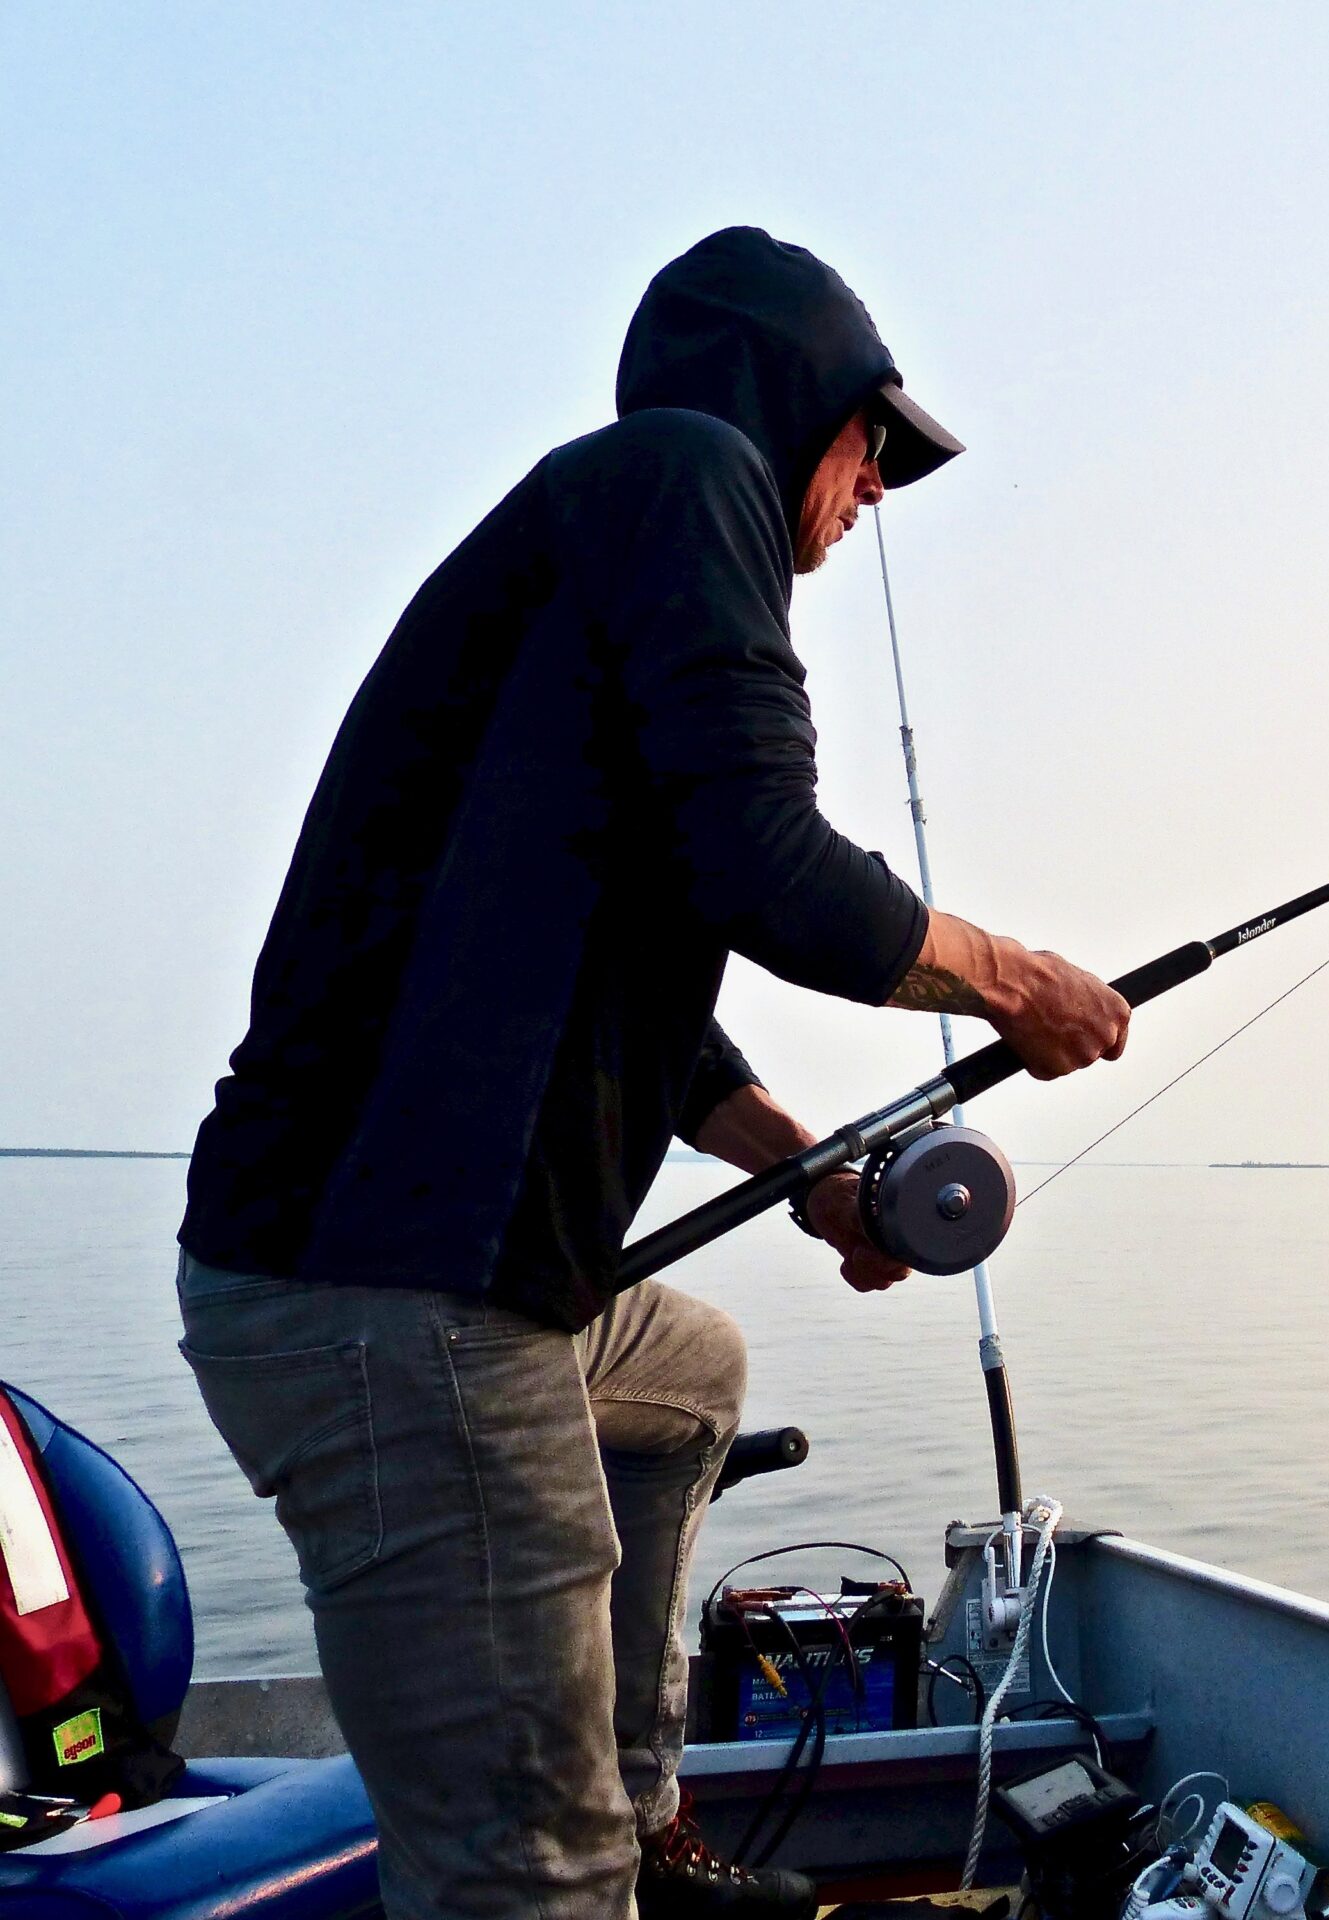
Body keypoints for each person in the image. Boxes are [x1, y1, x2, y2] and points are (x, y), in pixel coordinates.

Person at [171, 227, 1129, 1920]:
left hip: (444, 1284)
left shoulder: (598, 560)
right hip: (394, 1300)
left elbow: (661, 989)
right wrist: (1011, 981)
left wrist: (807, 1162)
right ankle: (577, 1860)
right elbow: (767, 860)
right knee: (516, 1882)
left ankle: (637, 1822)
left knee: (687, 1373)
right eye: (875, 445)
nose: (879, 489)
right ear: (797, 407)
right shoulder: (689, 477)